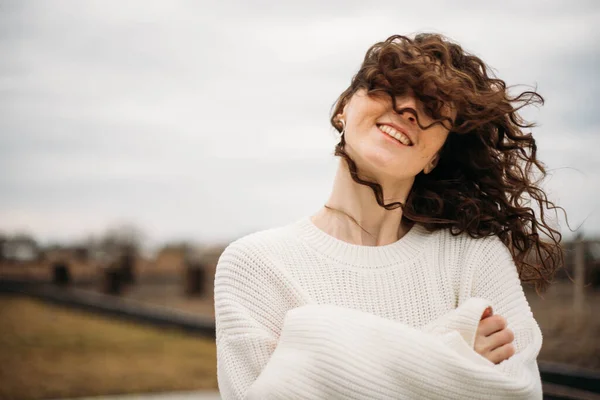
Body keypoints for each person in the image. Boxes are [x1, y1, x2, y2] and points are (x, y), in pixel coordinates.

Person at [213, 33, 565, 399]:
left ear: (435, 157)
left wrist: (316, 353)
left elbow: (517, 393)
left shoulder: (476, 257)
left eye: (433, 107)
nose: (409, 108)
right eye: (389, 87)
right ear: (343, 109)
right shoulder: (254, 266)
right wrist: (449, 353)